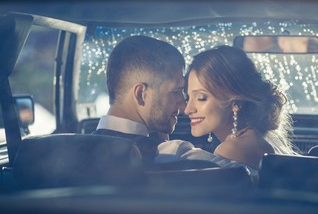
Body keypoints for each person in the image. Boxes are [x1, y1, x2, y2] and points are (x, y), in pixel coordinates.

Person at [183, 45, 295, 170]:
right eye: (187, 98)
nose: (188, 109)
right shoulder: (255, 138)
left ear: (236, 103)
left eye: (201, 98)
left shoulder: (230, 151)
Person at [93, 35, 186, 163]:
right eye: (176, 91)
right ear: (141, 94)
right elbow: (223, 168)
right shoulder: (173, 154)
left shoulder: (71, 152)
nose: (183, 104)